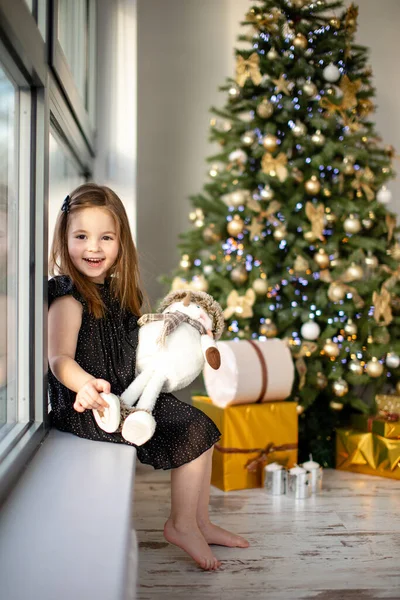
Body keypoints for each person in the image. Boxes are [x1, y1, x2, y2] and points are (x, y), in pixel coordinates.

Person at [48, 183, 249, 571]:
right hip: (92, 407)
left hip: (127, 396)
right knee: (191, 428)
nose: (94, 248)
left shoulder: (114, 293)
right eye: (81, 237)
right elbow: (59, 359)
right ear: (64, 238)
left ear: (121, 241)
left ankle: (199, 521)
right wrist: (84, 386)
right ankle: (180, 524)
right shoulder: (68, 296)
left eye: (106, 237)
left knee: (202, 428)